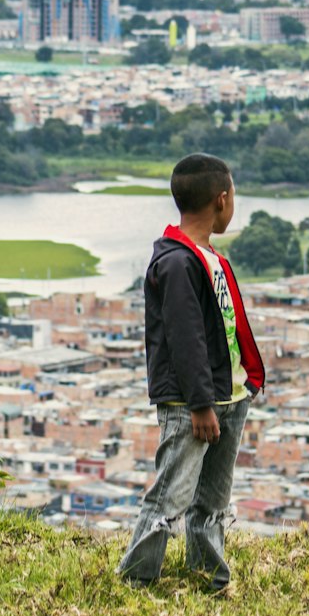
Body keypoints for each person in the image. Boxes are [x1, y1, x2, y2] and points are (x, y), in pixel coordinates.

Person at [118, 152, 265, 590]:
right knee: (171, 495)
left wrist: (244, 384)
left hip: (229, 393)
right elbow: (186, 339)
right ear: (222, 200)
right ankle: (137, 578)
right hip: (193, 403)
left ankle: (209, 574)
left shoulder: (206, 257)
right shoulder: (177, 262)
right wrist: (201, 404)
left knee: (213, 498)